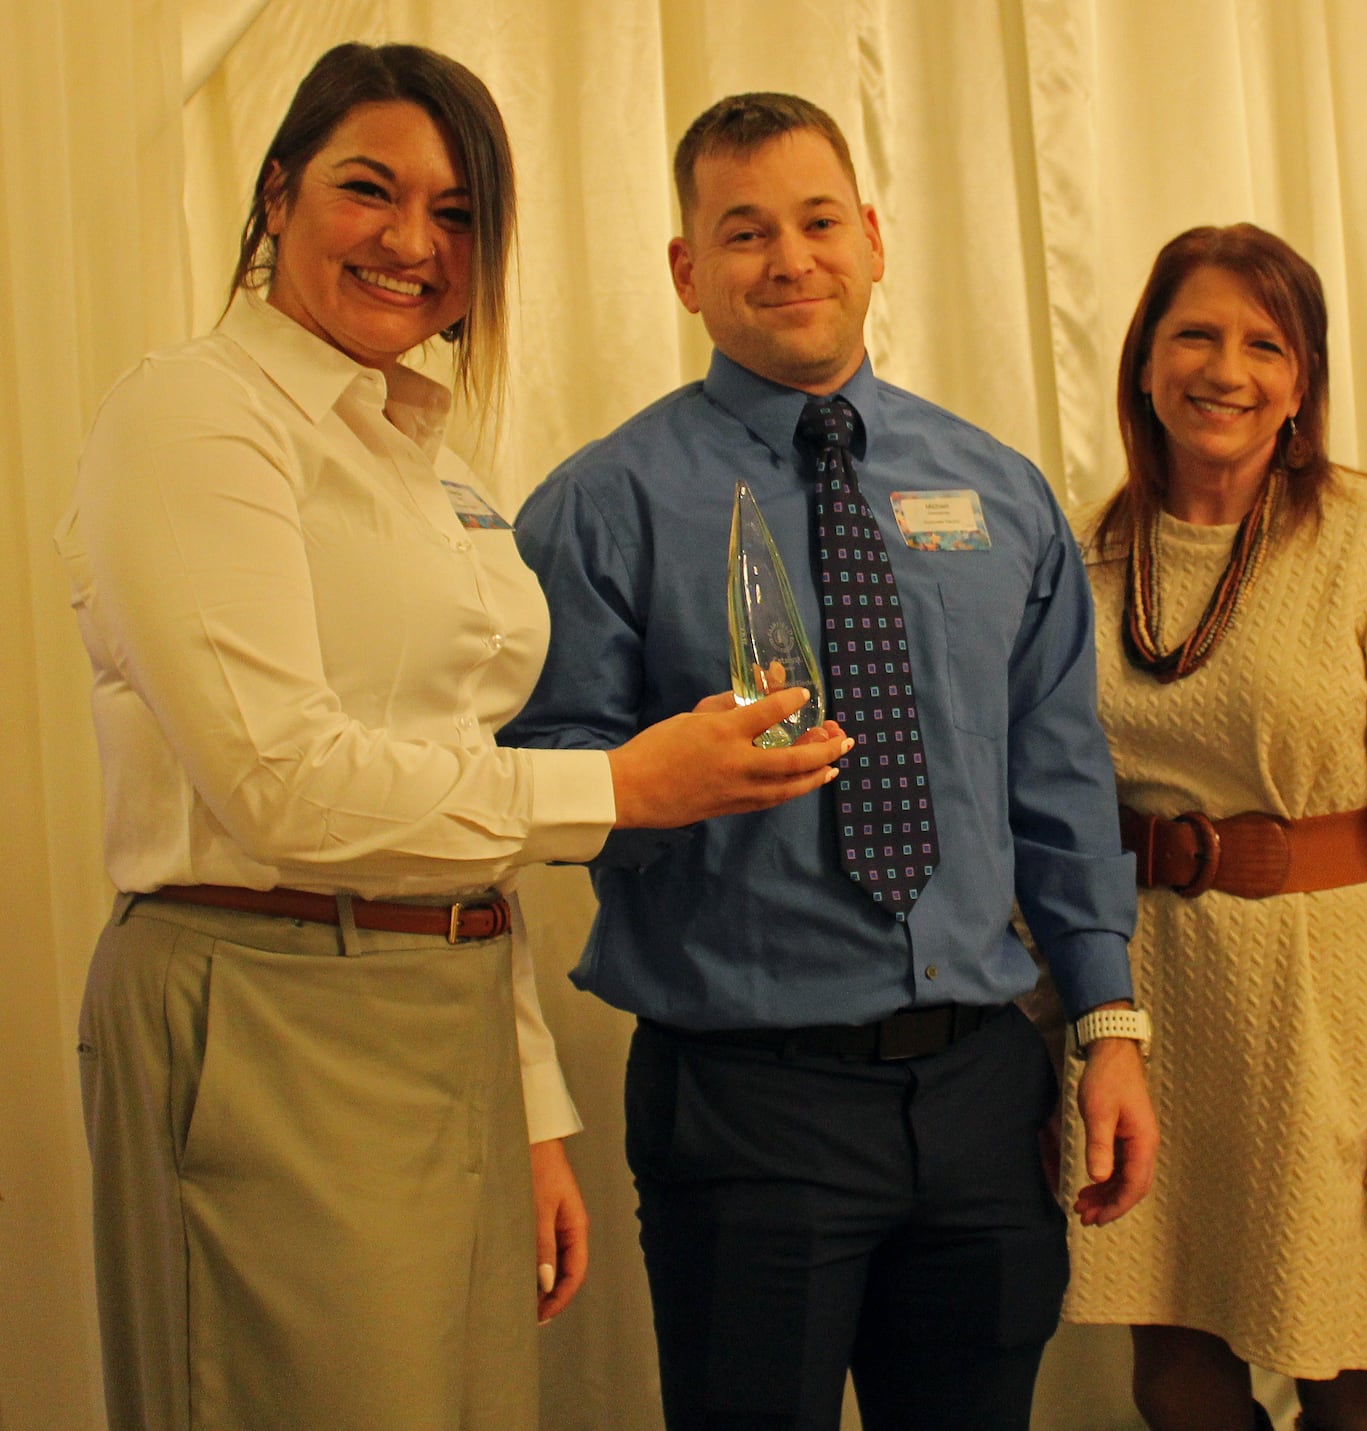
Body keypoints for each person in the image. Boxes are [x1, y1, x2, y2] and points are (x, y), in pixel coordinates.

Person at [56, 45, 850, 1431]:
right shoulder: (197, 416)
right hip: (267, 999)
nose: (414, 241)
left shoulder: (435, 462)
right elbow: (283, 784)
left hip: (449, 1013)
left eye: (461, 211)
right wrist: (621, 783)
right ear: (279, 193)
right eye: (371, 189)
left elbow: (443, 774)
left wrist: (531, 1096)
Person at [501, 92, 1157, 1431]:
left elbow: (1060, 780)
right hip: (748, 1097)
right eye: (743, 232)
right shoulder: (597, 506)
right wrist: (656, 775)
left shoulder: (998, 490)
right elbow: (535, 774)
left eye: (815, 222)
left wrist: (1108, 1028)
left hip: (985, 1088)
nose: (788, 258)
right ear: (687, 271)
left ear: (870, 238)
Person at [1044, 224, 1367, 1431]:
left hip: (1331, 1003)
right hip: (1147, 995)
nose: (1227, 369)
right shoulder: (1089, 550)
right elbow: (1047, 791)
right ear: (1145, 364)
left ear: (1302, 382)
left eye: (1266, 344)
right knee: (1175, 1366)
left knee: (1349, 1371)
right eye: (1195, 334)